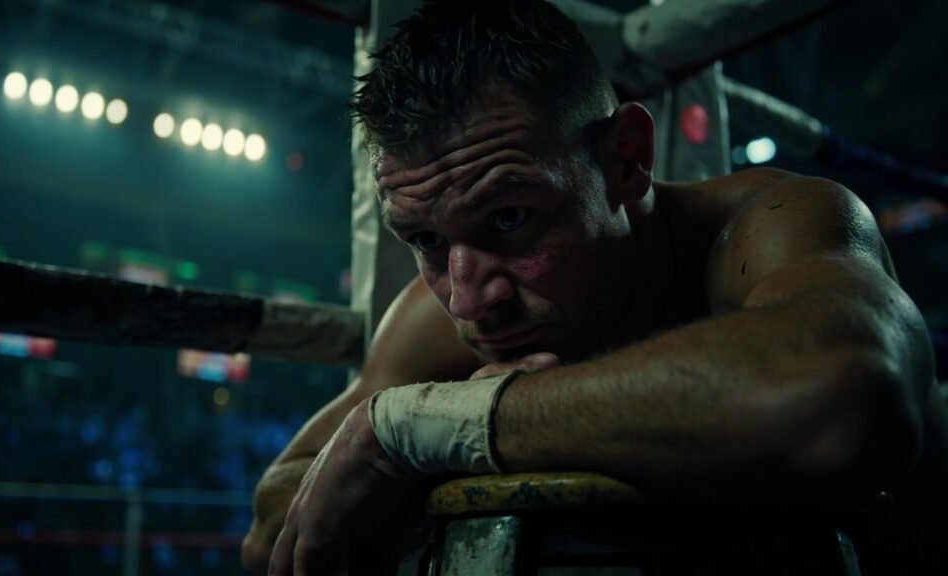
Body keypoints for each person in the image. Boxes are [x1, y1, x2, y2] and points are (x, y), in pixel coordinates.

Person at [243, 1, 948, 573]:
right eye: (425, 239)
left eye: (510, 218)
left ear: (626, 159)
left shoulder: (771, 225)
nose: (469, 300)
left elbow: (847, 393)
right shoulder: (452, 312)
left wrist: (444, 423)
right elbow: (279, 514)